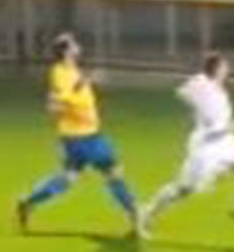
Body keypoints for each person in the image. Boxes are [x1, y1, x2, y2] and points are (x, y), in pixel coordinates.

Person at [14, 32, 141, 235]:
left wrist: (85, 80)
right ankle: (135, 218)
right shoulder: (59, 71)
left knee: (68, 178)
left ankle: (28, 203)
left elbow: (69, 95)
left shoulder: (71, 70)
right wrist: (83, 82)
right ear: (65, 51)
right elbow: (64, 97)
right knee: (113, 173)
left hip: (77, 135)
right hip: (85, 136)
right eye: (73, 45)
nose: (78, 47)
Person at [137, 52, 234, 236]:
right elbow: (216, 127)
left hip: (226, 141)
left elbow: (182, 92)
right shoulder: (208, 94)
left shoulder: (210, 86)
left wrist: (194, 96)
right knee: (184, 189)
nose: (228, 70)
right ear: (217, 70)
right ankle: (146, 213)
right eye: (225, 67)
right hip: (207, 146)